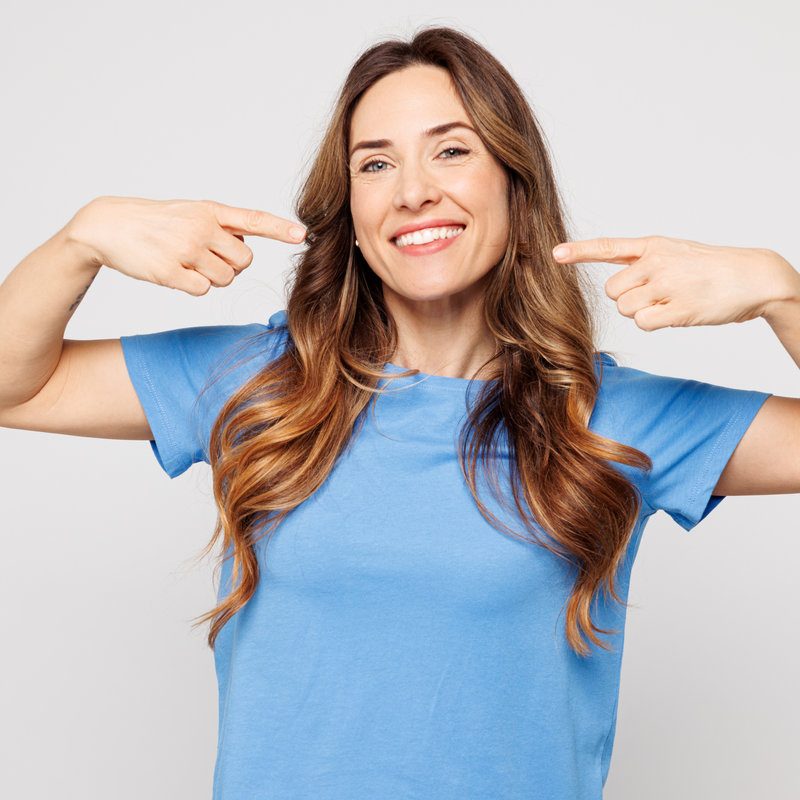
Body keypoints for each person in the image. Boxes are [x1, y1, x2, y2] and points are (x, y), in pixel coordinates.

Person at [1, 24, 798, 800]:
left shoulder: (609, 417)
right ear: (350, 211)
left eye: (452, 150)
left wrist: (781, 292)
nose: (413, 191)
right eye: (376, 164)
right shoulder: (259, 383)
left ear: (515, 183)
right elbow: (16, 387)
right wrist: (80, 242)